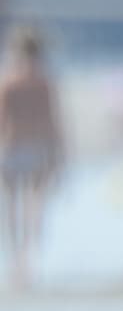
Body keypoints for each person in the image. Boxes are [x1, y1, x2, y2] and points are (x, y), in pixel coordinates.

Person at [0, 25, 65, 287]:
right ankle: (26, 262)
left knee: (14, 209)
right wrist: (59, 152)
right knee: (31, 208)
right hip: (36, 149)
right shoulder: (43, 82)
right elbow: (53, 121)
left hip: (13, 148)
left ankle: (18, 262)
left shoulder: (9, 80)